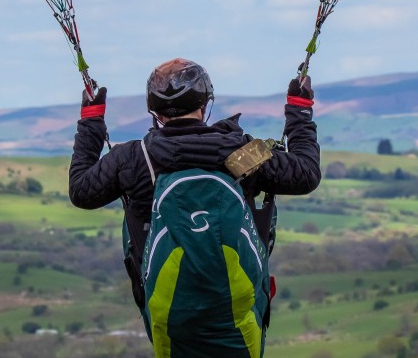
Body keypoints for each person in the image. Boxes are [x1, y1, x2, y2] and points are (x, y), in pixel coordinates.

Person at [69, 57, 321, 234]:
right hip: (236, 302)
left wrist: (92, 120)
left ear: (156, 112)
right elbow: (306, 173)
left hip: (166, 305)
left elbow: (82, 192)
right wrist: (299, 109)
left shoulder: (133, 159)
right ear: (204, 105)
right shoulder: (243, 154)